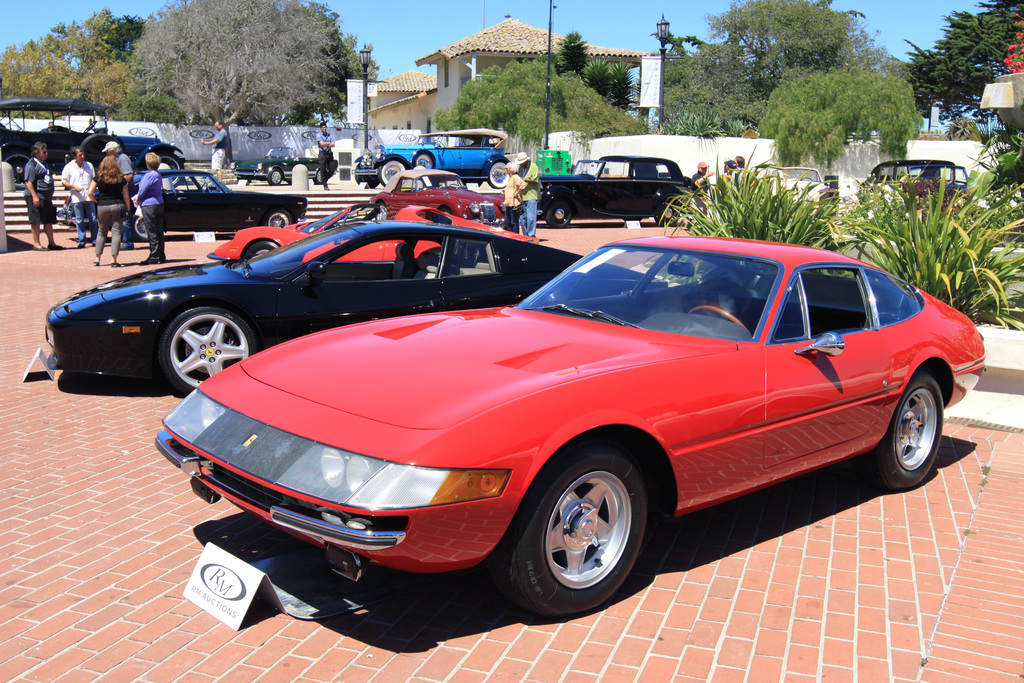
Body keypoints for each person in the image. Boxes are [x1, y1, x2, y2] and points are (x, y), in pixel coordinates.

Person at [91, 155, 132, 267]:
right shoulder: (120, 178)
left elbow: (90, 192)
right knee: (116, 232)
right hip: (117, 205)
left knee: (101, 232)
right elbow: (126, 195)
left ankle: (97, 258)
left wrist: (96, 201)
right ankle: (114, 260)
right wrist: (127, 208)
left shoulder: (98, 177)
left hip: (102, 205)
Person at [23, 142, 62, 251]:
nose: (46, 154)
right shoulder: (31, 165)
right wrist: (34, 196)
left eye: (46, 151)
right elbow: (28, 182)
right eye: (44, 152)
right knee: (36, 221)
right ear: (36, 153)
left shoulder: (44, 164)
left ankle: (52, 243)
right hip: (37, 197)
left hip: (47, 198)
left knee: (48, 221)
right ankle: (36, 243)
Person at [61, 146, 98, 248]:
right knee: (79, 219)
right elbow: (63, 181)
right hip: (77, 196)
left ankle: (95, 240)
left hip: (88, 196)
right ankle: (82, 240)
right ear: (74, 156)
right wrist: (73, 186)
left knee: (93, 219)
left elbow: (94, 179)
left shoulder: (89, 165)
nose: (82, 157)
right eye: (79, 155)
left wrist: (92, 190)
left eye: (83, 154)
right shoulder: (69, 167)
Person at [135, 152, 166, 266]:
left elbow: (142, 190)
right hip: (158, 203)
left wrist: (138, 199)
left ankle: (154, 255)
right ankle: (160, 254)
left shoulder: (149, 175)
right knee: (159, 230)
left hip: (149, 204)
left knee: (152, 230)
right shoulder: (158, 174)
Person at [103, 141, 135, 250]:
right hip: (122, 191)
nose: (106, 154)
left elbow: (129, 175)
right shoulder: (117, 159)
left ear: (113, 151)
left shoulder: (123, 158)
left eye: (107, 151)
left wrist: (119, 185)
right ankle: (125, 240)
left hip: (126, 191)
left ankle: (128, 242)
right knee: (121, 216)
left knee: (125, 215)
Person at [514, 152, 540, 242]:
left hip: (531, 195)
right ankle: (526, 236)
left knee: (531, 217)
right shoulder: (521, 168)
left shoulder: (533, 167)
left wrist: (524, 179)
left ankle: (531, 235)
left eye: (522, 162)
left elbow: (535, 181)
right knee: (522, 218)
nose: (521, 164)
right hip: (523, 195)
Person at [501, 162, 525, 233]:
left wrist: (518, 192)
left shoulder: (515, 177)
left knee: (514, 222)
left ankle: (515, 236)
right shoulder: (509, 178)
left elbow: (523, 184)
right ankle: (510, 236)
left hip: (514, 203)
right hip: (508, 203)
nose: (505, 170)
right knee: (507, 221)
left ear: (511, 169)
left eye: (507, 169)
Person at [316, 122, 337, 189]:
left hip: (329, 153)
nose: (324, 129)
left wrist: (326, 144)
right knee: (323, 169)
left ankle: (324, 179)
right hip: (322, 154)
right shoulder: (319, 135)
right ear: (320, 128)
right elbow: (321, 144)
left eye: (325, 127)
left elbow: (333, 144)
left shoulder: (329, 135)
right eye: (323, 128)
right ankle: (325, 184)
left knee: (332, 168)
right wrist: (328, 143)